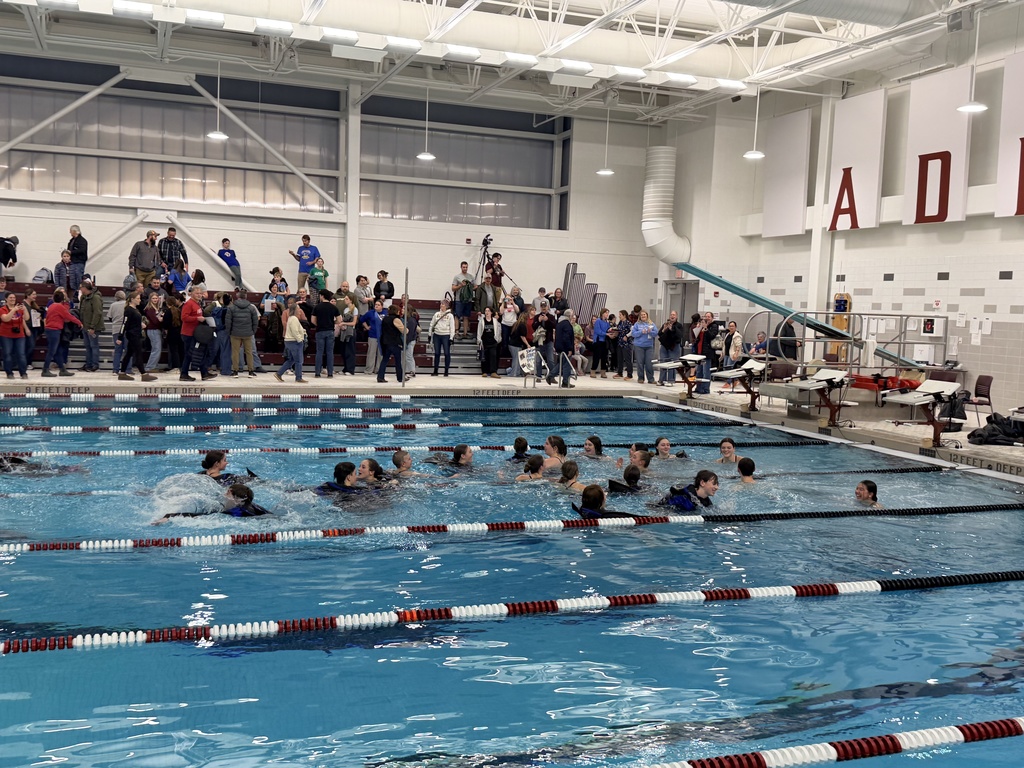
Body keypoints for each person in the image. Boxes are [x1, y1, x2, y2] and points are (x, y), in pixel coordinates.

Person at [153, 483, 270, 523]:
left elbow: (201, 517)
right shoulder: (255, 506)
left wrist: (170, 516)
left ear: (229, 491)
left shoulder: (235, 510)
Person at [116, 292, 158, 382]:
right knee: (138, 353)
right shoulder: (129, 310)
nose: (139, 300)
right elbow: (125, 323)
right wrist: (120, 337)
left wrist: (140, 324)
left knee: (129, 354)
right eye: (138, 298)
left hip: (136, 333)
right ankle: (143, 374)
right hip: (133, 335)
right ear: (132, 299)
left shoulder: (135, 309)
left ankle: (122, 373)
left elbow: (133, 321)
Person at [42, 288, 81, 377]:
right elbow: (69, 316)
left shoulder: (51, 306)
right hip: (54, 330)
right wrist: (79, 322)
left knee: (58, 351)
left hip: (51, 329)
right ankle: (45, 370)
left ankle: (62, 369)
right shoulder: (60, 307)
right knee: (52, 351)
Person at [180, 285, 215, 382]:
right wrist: (197, 319)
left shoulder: (197, 304)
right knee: (189, 354)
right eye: (197, 293)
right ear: (191, 294)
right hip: (188, 333)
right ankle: (184, 374)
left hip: (196, 333)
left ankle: (204, 373)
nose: (199, 295)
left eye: (200, 293)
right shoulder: (189, 304)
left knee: (198, 353)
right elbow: (184, 317)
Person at [225, 288, 260, 377]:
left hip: (235, 333)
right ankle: (251, 371)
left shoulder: (231, 308)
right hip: (248, 333)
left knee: (235, 352)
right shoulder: (251, 308)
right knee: (249, 352)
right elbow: (255, 321)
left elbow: (228, 321)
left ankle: (235, 371)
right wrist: (253, 331)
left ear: (237, 296)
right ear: (246, 296)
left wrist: (229, 332)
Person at [275, 300, 307, 383]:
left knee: (291, 360)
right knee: (299, 360)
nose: (300, 311)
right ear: (295, 310)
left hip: (290, 341)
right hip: (294, 341)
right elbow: (294, 331)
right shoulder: (294, 319)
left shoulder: (292, 318)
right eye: (299, 309)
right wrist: (300, 339)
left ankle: (279, 373)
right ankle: (298, 378)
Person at [311, 289, 340, 378]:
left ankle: (317, 373)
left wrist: (319, 324)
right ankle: (330, 373)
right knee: (329, 352)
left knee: (319, 352)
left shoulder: (317, 307)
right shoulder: (333, 307)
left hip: (320, 331)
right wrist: (332, 324)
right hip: (330, 331)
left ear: (322, 296)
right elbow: (339, 320)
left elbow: (313, 320)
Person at [0, 292, 29, 379]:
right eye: (10, 297)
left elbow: (26, 318)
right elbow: (6, 319)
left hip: (19, 335)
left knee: (21, 354)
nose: (12, 299)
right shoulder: (3, 309)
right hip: (6, 335)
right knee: (7, 354)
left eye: (14, 297)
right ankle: (9, 373)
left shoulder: (19, 309)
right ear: (6, 299)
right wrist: (13, 310)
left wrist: (25, 309)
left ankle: (23, 372)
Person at [77, 280, 104, 372]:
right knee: (87, 346)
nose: (80, 289)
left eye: (81, 287)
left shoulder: (96, 298)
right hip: (85, 325)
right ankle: (88, 364)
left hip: (93, 327)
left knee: (94, 345)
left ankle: (95, 364)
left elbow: (97, 313)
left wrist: (92, 327)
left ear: (85, 288)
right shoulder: (83, 298)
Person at [691, 312, 720, 394]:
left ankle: (705, 389)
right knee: (699, 371)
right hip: (699, 351)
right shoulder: (701, 326)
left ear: (712, 318)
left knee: (706, 372)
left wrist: (706, 329)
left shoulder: (714, 326)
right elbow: (696, 337)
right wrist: (698, 329)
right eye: (706, 316)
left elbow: (711, 336)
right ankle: (698, 388)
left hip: (707, 352)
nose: (707, 318)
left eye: (709, 317)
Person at [377, 303, 406, 383]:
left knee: (385, 360)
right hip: (395, 342)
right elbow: (403, 330)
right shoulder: (396, 319)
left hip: (385, 342)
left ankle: (380, 377)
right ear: (396, 311)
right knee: (398, 361)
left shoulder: (385, 319)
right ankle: (400, 377)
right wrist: (407, 329)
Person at [657, 311, 684, 386]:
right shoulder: (665, 324)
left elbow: (679, 335)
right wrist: (664, 329)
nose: (672, 316)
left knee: (672, 363)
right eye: (671, 315)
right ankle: (662, 379)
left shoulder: (679, 325)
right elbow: (659, 334)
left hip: (674, 346)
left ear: (676, 316)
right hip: (664, 346)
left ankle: (671, 380)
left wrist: (672, 328)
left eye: (674, 315)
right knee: (663, 362)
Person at [631, 309, 657, 384]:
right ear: (639, 316)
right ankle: (640, 378)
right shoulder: (637, 324)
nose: (643, 316)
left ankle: (651, 379)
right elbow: (633, 334)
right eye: (641, 315)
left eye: (644, 315)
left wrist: (650, 332)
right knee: (640, 362)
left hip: (649, 346)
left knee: (649, 362)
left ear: (647, 315)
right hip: (639, 345)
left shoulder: (651, 323)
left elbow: (655, 333)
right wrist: (641, 332)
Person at [143, 290, 166, 373]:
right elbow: (155, 321)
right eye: (153, 298)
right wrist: (161, 319)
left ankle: (154, 366)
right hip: (152, 330)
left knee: (156, 349)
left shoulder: (157, 308)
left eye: (156, 298)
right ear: (150, 299)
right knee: (156, 349)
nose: (155, 300)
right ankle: (150, 367)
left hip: (156, 330)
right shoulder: (150, 309)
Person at [361, 299, 386, 375]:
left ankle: (378, 369)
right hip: (373, 335)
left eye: (378, 305)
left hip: (382, 336)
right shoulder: (370, 313)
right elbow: (362, 319)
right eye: (376, 305)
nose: (376, 306)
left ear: (382, 306)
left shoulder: (385, 313)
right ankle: (369, 370)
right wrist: (367, 327)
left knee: (380, 354)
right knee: (371, 353)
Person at [337, 293, 358, 375]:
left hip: (350, 332)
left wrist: (344, 323)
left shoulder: (354, 309)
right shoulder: (346, 309)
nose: (345, 300)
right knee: (344, 351)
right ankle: (345, 368)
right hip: (344, 331)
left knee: (350, 351)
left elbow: (354, 323)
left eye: (346, 299)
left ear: (350, 300)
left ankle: (350, 369)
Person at [477, 305, 501, 378]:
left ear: (491, 312)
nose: (487, 312)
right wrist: (479, 340)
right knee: (484, 357)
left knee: (493, 356)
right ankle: (484, 371)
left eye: (488, 311)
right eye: (486, 311)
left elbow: (498, 331)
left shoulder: (495, 321)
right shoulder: (481, 321)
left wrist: (498, 340)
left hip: (493, 342)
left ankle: (493, 372)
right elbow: (479, 331)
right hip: (484, 342)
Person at [508, 307, 532, 378]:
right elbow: (522, 336)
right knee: (516, 360)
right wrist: (527, 344)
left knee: (517, 359)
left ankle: (516, 372)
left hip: (511, 343)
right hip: (516, 344)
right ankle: (514, 373)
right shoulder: (522, 325)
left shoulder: (516, 324)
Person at [554, 308, 576, 388]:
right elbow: (567, 337)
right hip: (565, 348)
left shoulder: (560, 323)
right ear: (570, 315)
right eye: (572, 315)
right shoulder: (567, 324)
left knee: (561, 364)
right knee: (567, 365)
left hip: (559, 346)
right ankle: (565, 382)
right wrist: (569, 349)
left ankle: (550, 375)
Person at [66, 225, 88, 293]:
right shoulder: (71, 241)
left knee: (78, 277)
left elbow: (82, 250)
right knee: (72, 278)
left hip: (79, 262)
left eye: (71, 231)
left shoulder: (82, 241)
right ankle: (74, 292)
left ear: (75, 231)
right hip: (72, 262)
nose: (70, 232)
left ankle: (78, 292)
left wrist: (71, 252)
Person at [590, 308, 610, 378]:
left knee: (604, 357)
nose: (607, 314)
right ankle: (593, 371)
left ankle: (603, 372)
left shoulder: (607, 322)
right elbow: (598, 331)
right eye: (606, 313)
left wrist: (610, 330)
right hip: (598, 340)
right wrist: (606, 334)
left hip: (604, 341)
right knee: (596, 357)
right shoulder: (598, 321)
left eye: (608, 313)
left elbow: (608, 329)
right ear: (602, 313)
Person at [613, 310, 633, 379]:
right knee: (620, 359)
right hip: (620, 343)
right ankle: (619, 372)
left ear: (624, 315)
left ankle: (629, 374)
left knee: (627, 359)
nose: (619, 316)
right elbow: (618, 329)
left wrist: (627, 336)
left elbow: (632, 331)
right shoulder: (620, 322)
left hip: (626, 344)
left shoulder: (628, 323)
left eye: (620, 315)